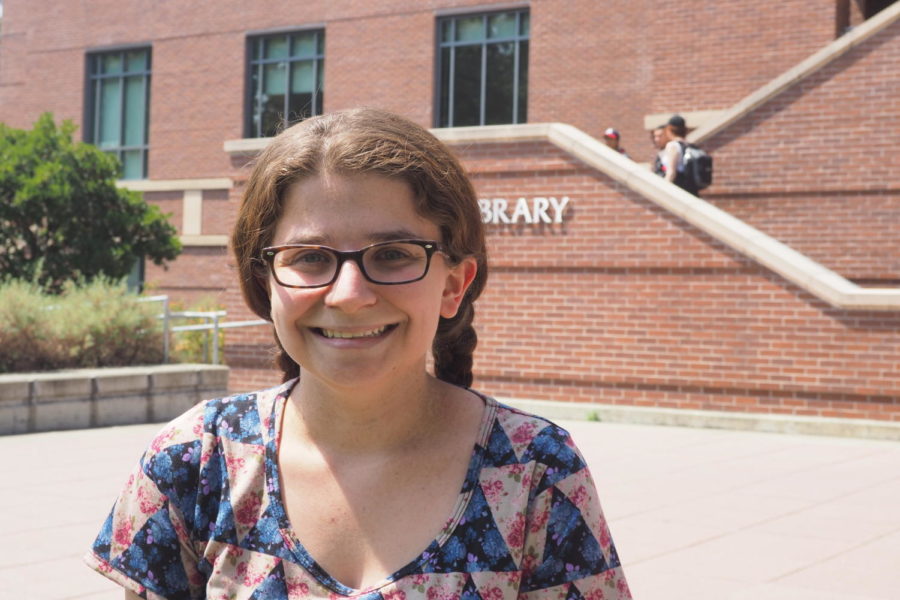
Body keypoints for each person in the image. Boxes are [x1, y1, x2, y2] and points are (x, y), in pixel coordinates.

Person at [84, 108, 631, 600]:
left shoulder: (535, 472)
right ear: (265, 283)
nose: (349, 294)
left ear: (453, 285)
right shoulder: (193, 460)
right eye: (310, 257)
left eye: (393, 254)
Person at [660, 114, 699, 195]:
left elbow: (671, 172)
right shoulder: (689, 145)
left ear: (669, 129)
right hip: (691, 187)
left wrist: (662, 190)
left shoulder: (673, 146)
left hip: (678, 187)